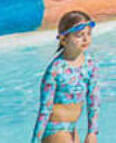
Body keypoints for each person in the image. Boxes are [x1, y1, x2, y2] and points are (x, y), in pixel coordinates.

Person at [32, 10, 99, 143]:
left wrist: (92, 132)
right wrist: (35, 140)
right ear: (63, 39)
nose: (86, 39)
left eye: (88, 34)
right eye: (80, 35)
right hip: (55, 129)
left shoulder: (89, 64)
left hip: (72, 128)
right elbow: (45, 109)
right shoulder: (55, 70)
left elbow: (94, 100)